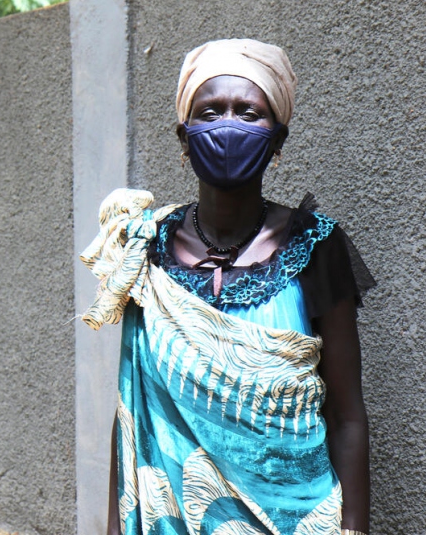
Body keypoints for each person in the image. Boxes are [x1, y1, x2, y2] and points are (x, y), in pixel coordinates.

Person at [80, 38, 375, 535]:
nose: (228, 126)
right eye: (210, 111)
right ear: (184, 135)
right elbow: (133, 413)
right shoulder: (146, 249)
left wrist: (355, 528)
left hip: (296, 519)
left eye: (249, 112)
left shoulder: (314, 247)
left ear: (277, 139)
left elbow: (347, 417)